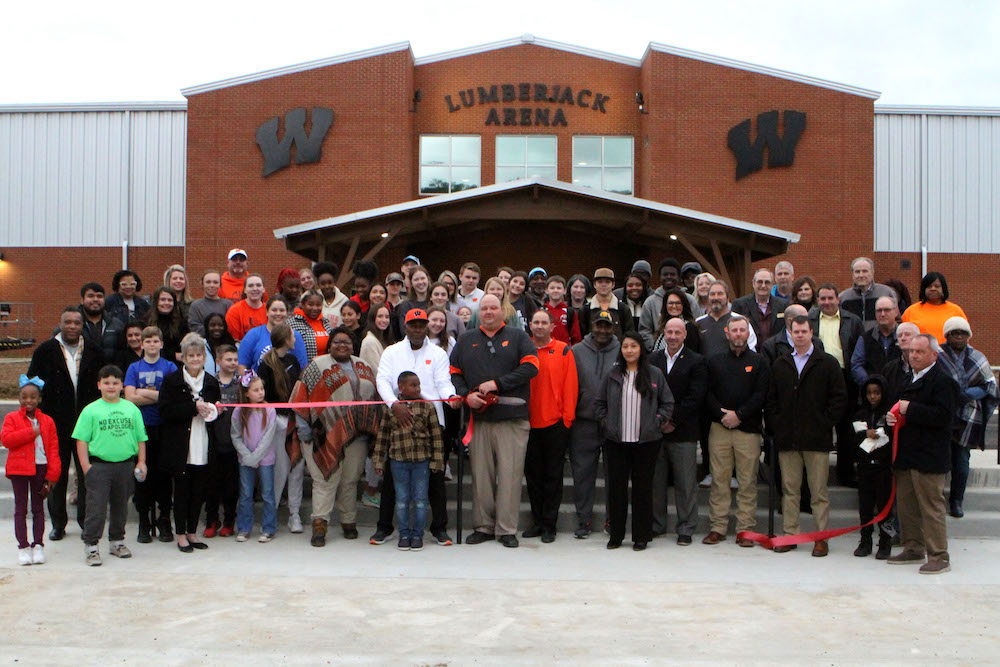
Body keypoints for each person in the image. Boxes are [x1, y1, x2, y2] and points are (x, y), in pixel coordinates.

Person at [450, 295, 538, 547]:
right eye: (484, 308)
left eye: (493, 308)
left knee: (510, 476)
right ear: (480, 312)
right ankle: (484, 526)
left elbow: (531, 367)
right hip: (479, 420)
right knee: (481, 476)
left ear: (503, 311)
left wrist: (497, 384)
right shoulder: (466, 339)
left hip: (512, 419)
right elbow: (454, 372)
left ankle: (506, 529)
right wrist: (467, 395)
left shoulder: (519, 336)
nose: (488, 312)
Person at [372, 309, 460, 546]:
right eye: (413, 325)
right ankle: (385, 527)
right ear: (405, 327)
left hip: (430, 421)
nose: (418, 329)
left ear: (428, 327)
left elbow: (443, 382)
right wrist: (394, 405)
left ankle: (439, 528)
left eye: (422, 325)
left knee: (435, 477)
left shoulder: (438, 353)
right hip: (397, 419)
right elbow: (382, 380)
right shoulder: (392, 352)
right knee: (392, 480)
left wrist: (451, 397)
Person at [291, 328, 381, 546]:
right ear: (329, 344)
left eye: (347, 342)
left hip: (357, 437)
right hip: (320, 435)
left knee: (349, 480)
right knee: (325, 479)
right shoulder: (317, 366)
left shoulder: (364, 366)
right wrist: (304, 428)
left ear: (354, 345)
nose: (342, 345)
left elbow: (374, 398)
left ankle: (348, 521)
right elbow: (300, 397)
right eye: (337, 342)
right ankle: (319, 524)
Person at [765, 316, 847, 557]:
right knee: (790, 491)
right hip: (787, 439)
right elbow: (771, 401)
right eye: (795, 331)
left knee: (818, 492)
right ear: (790, 334)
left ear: (812, 332)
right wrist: (778, 425)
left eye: (804, 331)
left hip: (816, 440)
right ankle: (791, 535)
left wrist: (823, 423)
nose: (799, 335)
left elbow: (839, 398)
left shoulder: (827, 363)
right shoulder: (781, 364)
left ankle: (821, 538)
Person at [885, 334, 959, 574]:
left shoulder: (943, 381)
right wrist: (893, 417)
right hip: (907, 454)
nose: (913, 355)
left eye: (919, 352)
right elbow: (902, 410)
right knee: (907, 505)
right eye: (911, 351)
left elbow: (944, 417)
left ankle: (939, 555)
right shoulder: (908, 378)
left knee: (930, 506)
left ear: (933, 355)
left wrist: (912, 409)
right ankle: (913, 547)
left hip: (930, 456)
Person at [27, 307, 102, 540]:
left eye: (76, 323)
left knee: (87, 475)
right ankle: (58, 523)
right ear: (60, 323)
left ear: (82, 326)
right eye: (67, 322)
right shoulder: (45, 351)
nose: (72, 326)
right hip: (55, 424)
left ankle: (85, 522)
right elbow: (32, 385)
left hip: (86, 425)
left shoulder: (94, 351)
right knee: (55, 476)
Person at [595, 332, 673, 550]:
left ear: (641, 349)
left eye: (633, 346)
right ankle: (616, 536)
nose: (629, 350)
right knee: (617, 490)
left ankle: (641, 536)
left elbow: (667, 402)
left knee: (643, 489)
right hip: (616, 441)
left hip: (646, 442)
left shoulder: (654, 374)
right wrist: (606, 422)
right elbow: (599, 403)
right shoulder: (613, 374)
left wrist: (657, 421)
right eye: (625, 346)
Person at [702, 315, 769, 547]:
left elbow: (761, 395)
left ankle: (745, 530)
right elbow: (707, 393)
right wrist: (722, 415)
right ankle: (717, 527)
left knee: (747, 481)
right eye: (735, 330)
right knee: (719, 480)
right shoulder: (714, 361)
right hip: (719, 428)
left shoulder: (760, 362)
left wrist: (739, 415)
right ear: (727, 333)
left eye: (742, 330)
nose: (738, 334)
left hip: (747, 430)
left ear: (748, 333)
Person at [74, 364, 148, 566]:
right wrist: (86, 466)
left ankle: (117, 541)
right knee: (96, 508)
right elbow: (81, 440)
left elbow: (140, 437)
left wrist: (141, 461)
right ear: (99, 385)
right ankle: (91, 545)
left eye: (115, 383)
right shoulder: (91, 410)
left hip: (125, 465)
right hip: (99, 467)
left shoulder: (130, 409)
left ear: (122, 385)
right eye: (106, 383)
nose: (111, 387)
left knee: (120, 507)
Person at [157, 334, 221, 553]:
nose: (195, 359)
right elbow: (165, 411)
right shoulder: (172, 381)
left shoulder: (211, 382)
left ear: (204, 357)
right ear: (183, 358)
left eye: (199, 355)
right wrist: (193, 408)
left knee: (199, 491)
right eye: (190, 355)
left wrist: (216, 411)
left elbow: (215, 413)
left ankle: (193, 532)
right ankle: (181, 534)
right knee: (182, 491)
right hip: (181, 446)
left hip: (204, 442)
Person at [648, 317, 707, 545]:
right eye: (669, 332)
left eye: (677, 333)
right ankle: (657, 524)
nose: (672, 337)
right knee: (656, 482)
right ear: (664, 334)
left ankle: (686, 527)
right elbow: (647, 393)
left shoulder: (696, 361)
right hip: (656, 430)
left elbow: (695, 397)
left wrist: (673, 419)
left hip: (684, 431)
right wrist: (660, 420)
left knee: (685, 483)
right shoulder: (652, 359)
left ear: (685, 335)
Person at [372, 371, 445, 551]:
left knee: (420, 499)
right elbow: (383, 436)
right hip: (398, 461)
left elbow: (436, 436)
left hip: (422, 461)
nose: (418, 389)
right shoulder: (391, 409)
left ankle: (417, 534)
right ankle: (404, 534)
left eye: (419, 385)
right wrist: (379, 461)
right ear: (402, 388)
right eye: (413, 386)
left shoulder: (427, 407)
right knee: (402, 499)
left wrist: (437, 461)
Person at [523, 309, 579, 543]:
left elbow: (571, 386)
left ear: (552, 326)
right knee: (533, 477)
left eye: (544, 322)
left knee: (553, 477)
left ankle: (549, 525)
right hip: (527, 424)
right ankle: (537, 522)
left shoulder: (564, 350)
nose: (539, 326)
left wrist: (567, 420)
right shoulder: (523, 350)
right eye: (535, 322)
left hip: (555, 423)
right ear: (531, 326)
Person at [936, 317, 998, 518]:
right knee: (939, 461)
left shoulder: (977, 357)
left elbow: (989, 385)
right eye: (955, 333)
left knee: (961, 462)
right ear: (947, 335)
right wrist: (950, 395)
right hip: (942, 415)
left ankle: (957, 501)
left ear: (968, 336)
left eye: (963, 333)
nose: (959, 336)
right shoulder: (937, 355)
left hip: (967, 417)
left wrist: (967, 394)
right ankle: (936, 501)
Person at [123, 326, 178, 543]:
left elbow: (172, 397)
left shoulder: (170, 366)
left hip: (164, 426)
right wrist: (159, 395)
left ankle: (164, 520)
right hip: (141, 428)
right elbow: (129, 398)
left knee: (164, 476)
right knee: (142, 475)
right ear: (142, 344)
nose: (152, 344)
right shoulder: (134, 368)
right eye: (148, 341)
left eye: (156, 340)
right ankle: (144, 522)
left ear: (161, 344)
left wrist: (143, 392)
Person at [569, 311, 620, 538]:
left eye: (607, 326)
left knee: (615, 474)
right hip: (583, 422)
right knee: (582, 474)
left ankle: (612, 520)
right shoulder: (576, 351)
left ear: (613, 327)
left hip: (614, 422)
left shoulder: (623, 350)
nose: (602, 330)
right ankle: (584, 520)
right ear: (591, 326)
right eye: (599, 325)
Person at [809, 283, 864, 488]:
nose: (826, 302)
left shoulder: (853, 320)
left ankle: (846, 473)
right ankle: (817, 476)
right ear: (817, 301)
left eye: (830, 298)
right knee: (820, 424)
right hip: (818, 377)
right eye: (822, 299)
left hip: (845, 376)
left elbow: (859, 349)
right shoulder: (810, 319)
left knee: (845, 428)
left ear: (838, 299)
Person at [2, 376, 60, 565]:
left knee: (38, 509)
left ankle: (38, 544)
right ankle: (23, 547)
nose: (29, 400)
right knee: (20, 509)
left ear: (39, 399)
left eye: (33, 397)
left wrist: (53, 474)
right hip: (19, 469)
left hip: (40, 467)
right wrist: (31, 433)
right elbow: (7, 440)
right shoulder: (11, 418)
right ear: (19, 398)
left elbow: (53, 448)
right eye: (24, 397)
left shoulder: (47, 421)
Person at [257, 324, 304, 534]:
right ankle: (271, 513)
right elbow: (262, 395)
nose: (295, 339)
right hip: (277, 422)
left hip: (295, 421)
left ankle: (295, 514)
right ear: (286, 339)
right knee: (280, 469)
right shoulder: (266, 363)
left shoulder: (293, 361)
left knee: (297, 467)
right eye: (293, 336)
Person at [231, 372, 278, 542]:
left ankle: (269, 528)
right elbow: (235, 435)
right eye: (255, 390)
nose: (260, 392)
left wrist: (256, 456)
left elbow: (268, 437)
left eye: (262, 389)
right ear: (246, 393)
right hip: (245, 459)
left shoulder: (270, 410)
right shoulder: (239, 411)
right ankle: (244, 527)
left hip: (265, 459)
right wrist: (246, 455)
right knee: (245, 494)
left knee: (267, 494)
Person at [852, 375, 894, 559]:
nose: (873, 397)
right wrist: (865, 434)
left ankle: (885, 543)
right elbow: (855, 436)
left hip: (884, 468)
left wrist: (878, 433)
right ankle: (865, 541)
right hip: (865, 467)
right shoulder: (860, 413)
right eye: (869, 393)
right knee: (865, 506)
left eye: (876, 393)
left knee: (885, 507)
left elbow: (892, 436)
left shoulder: (889, 415)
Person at [203, 344, 240, 538]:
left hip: (234, 442)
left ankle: (229, 520)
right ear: (218, 362)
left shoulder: (241, 383)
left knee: (231, 485)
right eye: (228, 359)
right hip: (213, 440)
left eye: (235, 359)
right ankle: (211, 520)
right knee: (212, 484)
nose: (232, 363)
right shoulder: (210, 382)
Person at [236, 296, 307, 373]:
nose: (278, 313)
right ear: (267, 312)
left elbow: (303, 368)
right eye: (274, 310)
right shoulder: (253, 335)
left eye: (282, 310)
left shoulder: (294, 336)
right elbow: (242, 366)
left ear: (287, 313)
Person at [639, 259, 699, 348]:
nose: (669, 277)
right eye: (665, 274)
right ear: (659, 277)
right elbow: (644, 331)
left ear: (679, 277)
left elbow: (696, 325)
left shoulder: (690, 300)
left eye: (672, 274)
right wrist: (658, 348)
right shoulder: (650, 302)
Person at [695, 280, 758, 359]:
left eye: (720, 294)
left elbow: (751, 352)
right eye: (712, 294)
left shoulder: (741, 322)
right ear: (708, 298)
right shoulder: (698, 323)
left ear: (728, 298)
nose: (716, 297)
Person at [901, 272, 969, 344]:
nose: (933, 289)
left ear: (943, 289)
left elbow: (964, 336)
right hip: (920, 353)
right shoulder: (911, 311)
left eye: (937, 286)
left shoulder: (956, 311)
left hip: (948, 354)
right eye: (929, 286)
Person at [850, 295, 901, 387]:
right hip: (873, 396)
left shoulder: (904, 336)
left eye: (887, 310)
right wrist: (870, 383)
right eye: (879, 310)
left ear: (896, 312)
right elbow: (856, 365)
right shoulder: (865, 338)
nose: (882, 314)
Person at [732, 268, 788, 344]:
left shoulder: (783, 305)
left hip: (776, 352)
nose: (763, 285)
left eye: (767, 282)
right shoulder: (739, 305)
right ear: (753, 283)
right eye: (760, 282)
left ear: (772, 285)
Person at [838, 257, 896, 331]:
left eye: (865, 271)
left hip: (878, 340)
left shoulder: (886, 293)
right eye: (857, 272)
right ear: (852, 274)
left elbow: (897, 319)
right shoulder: (844, 297)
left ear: (872, 272)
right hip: (853, 341)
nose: (861, 275)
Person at [578, 268, 634, 340]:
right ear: (594, 284)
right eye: (600, 282)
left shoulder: (623, 309)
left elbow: (629, 335)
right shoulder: (585, 310)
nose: (603, 285)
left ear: (613, 284)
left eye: (607, 282)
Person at [77, 282, 125, 363]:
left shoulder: (116, 325)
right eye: (91, 296)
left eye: (99, 296)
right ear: (82, 300)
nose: (95, 299)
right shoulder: (73, 324)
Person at [651, 288, 701, 354]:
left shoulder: (690, 328)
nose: (674, 306)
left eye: (678, 303)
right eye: (671, 303)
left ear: (683, 305)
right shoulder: (662, 327)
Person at [146, 286, 189, 363]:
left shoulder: (181, 323)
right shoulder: (147, 321)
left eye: (170, 300)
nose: (166, 303)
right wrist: (173, 355)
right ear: (156, 302)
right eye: (163, 300)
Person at [289, 290, 332, 363]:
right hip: (303, 369)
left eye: (318, 305)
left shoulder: (326, 322)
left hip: (325, 368)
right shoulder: (292, 324)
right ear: (302, 305)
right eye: (310, 304)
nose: (315, 308)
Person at [188, 270, 234, 336]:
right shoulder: (196, 306)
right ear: (202, 284)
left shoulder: (228, 305)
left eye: (215, 282)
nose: (212, 285)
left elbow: (231, 326)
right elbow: (195, 327)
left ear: (220, 285)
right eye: (208, 282)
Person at [225, 273, 267, 342]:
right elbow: (234, 340)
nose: (255, 288)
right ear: (244, 290)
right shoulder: (234, 311)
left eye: (258, 285)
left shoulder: (269, 310)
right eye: (250, 286)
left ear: (263, 290)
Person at [542, 275, 582, 345]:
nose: (555, 290)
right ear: (546, 290)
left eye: (559, 288)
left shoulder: (570, 312)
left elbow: (576, 338)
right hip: (545, 351)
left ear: (565, 291)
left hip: (564, 351)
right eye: (552, 288)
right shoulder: (542, 311)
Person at [396, 264, 433, 333]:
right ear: (411, 283)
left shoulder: (435, 301)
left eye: (422, 278)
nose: (420, 282)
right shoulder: (405, 305)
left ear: (428, 279)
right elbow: (404, 330)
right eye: (416, 279)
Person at [361, 304, 395, 373]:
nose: (384, 320)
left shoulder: (386, 340)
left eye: (387, 317)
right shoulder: (369, 342)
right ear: (373, 318)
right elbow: (376, 371)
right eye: (380, 316)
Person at [313, 261, 348, 326]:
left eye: (330, 282)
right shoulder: (312, 300)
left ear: (334, 282)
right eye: (323, 283)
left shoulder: (344, 300)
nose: (327, 286)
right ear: (318, 284)